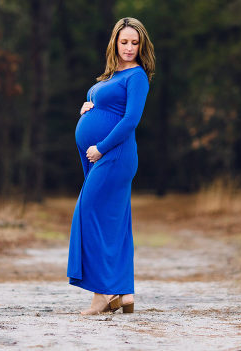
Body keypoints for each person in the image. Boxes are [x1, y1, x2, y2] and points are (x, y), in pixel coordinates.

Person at [67, 17, 156, 315]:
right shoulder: (112, 75)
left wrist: (101, 148)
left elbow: (130, 120)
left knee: (87, 212)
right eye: (124, 42)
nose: (129, 48)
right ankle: (124, 292)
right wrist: (88, 104)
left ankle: (102, 293)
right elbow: (106, 104)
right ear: (115, 43)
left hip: (114, 154)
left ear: (141, 46)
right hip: (102, 155)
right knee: (113, 220)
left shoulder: (137, 77)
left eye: (135, 43)